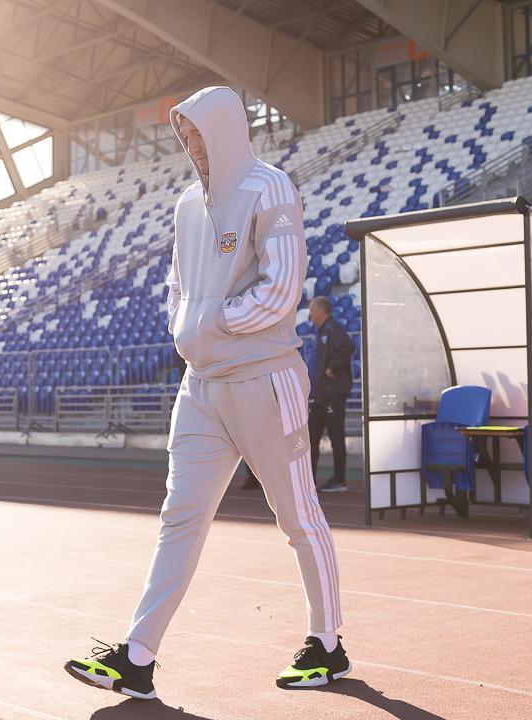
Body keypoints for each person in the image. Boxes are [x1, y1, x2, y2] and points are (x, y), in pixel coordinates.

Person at [64, 86, 347, 699]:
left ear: (225, 131)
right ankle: (137, 655)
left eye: (198, 134)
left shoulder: (270, 188)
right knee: (180, 518)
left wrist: (212, 321)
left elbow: (282, 289)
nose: (191, 146)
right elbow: (176, 284)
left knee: (297, 515)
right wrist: (184, 325)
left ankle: (327, 643)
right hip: (201, 387)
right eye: (184, 135)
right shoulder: (187, 203)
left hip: (264, 379)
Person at [305, 297, 355, 493]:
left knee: (336, 437)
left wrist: (332, 367)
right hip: (321, 395)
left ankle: (339, 479)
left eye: (312, 310)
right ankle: (308, 480)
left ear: (320, 310)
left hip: (333, 394)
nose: (310, 315)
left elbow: (348, 346)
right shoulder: (322, 330)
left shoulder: (332, 328)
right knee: (311, 436)